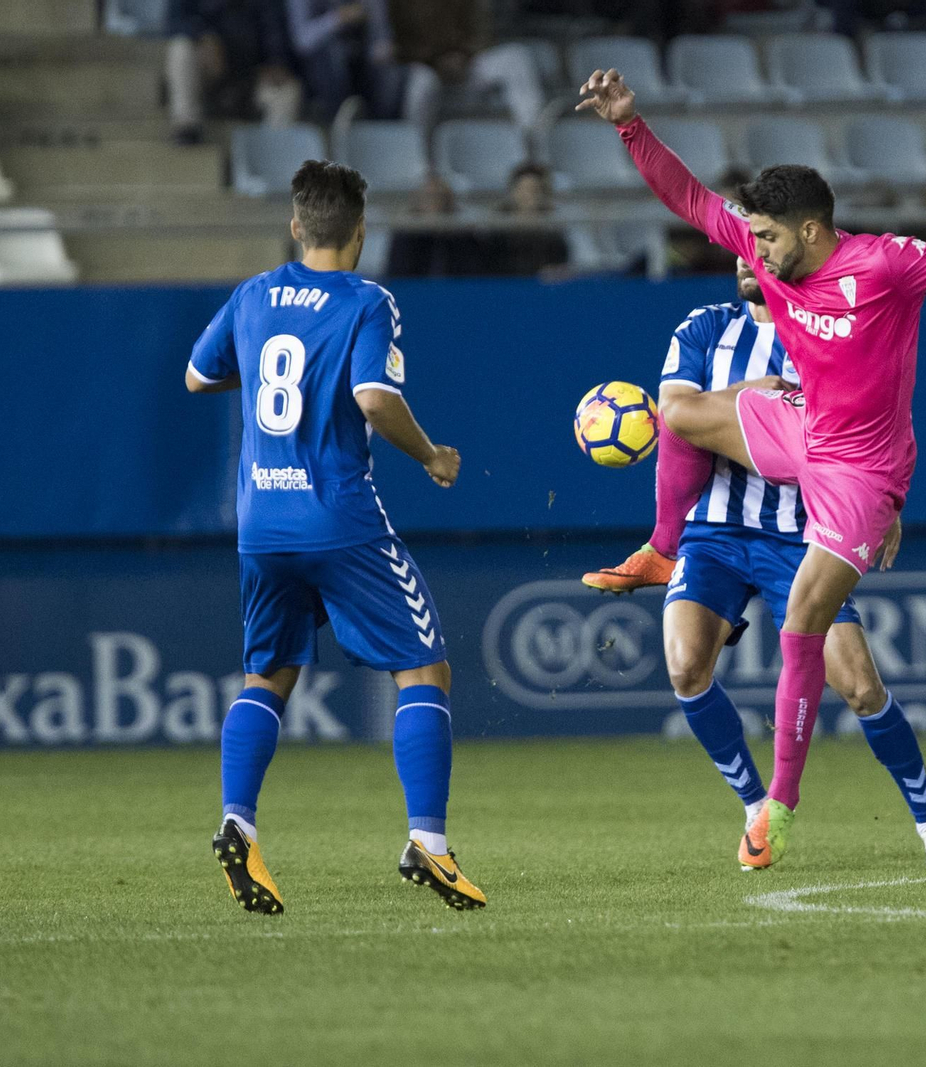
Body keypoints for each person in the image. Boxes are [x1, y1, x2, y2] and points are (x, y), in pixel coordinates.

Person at [576, 67, 926, 869]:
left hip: (862, 475)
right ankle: (662, 546)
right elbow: (689, 201)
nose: (752, 253)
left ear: (814, 231)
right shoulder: (770, 252)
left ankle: (779, 807)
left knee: (802, 626)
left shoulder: (886, 265)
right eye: (750, 238)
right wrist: (629, 124)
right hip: (800, 428)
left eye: (767, 239)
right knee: (678, 411)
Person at [596, 258, 926, 868]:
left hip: (803, 532)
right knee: (686, 667)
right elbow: (676, 410)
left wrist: (879, 500)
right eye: (740, 249)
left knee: (860, 685)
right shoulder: (705, 327)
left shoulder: (828, 329)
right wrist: (752, 392)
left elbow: (872, 418)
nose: (748, 261)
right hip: (713, 530)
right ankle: (754, 806)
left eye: (761, 247)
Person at [185, 160, 485, 914]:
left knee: (270, 675)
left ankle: (237, 822)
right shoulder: (366, 298)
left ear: (296, 225)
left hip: (260, 523)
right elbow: (374, 397)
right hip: (339, 518)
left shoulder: (253, 295)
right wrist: (433, 455)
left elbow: (196, 375)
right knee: (424, 671)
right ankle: (430, 844)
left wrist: (261, 372)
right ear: (360, 231)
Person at [390, 0, 545, 133]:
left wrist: (464, 55)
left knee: (516, 56)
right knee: (420, 81)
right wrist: (436, 59)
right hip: (427, 66)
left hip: (467, 63)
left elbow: (482, 32)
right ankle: (417, 151)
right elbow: (399, 41)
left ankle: (531, 138)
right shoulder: (400, 3)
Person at [164, 0, 301, 145]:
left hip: (250, 78)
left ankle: (272, 150)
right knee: (181, 47)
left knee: (287, 90)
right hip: (209, 75)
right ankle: (187, 125)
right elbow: (173, 23)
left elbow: (275, 32)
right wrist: (203, 35)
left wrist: (276, 62)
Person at [286, 0, 399, 120]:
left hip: (364, 61)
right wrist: (338, 18)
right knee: (334, 55)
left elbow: (381, 36)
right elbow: (302, 41)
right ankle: (335, 120)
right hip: (320, 65)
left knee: (393, 70)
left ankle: (382, 126)